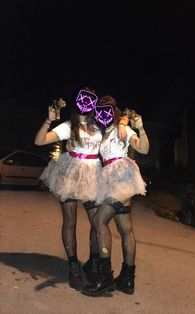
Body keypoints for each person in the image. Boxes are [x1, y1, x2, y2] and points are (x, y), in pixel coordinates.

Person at [34, 88, 129, 290]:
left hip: (93, 175)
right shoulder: (70, 126)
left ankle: (95, 263)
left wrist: (123, 121)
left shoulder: (99, 124)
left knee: (97, 222)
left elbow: (121, 116)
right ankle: (73, 266)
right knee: (70, 221)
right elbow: (39, 141)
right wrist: (49, 120)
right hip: (69, 173)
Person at [81, 95, 149, 296]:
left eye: (108, 109)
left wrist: (138, 127)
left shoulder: (123, 128)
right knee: (125, 229)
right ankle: (127, 280)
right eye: (100, 109)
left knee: (99, 220)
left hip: (123, 179)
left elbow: (143, 148)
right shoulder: (104, 131)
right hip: (110, 181)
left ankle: (105, 279)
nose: (103, 113)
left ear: (114, 111)